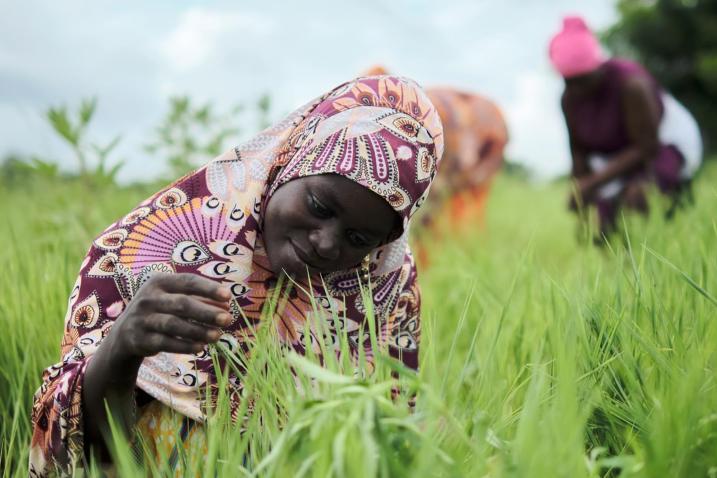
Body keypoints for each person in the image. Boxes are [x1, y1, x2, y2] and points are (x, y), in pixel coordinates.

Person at [29, 75, 444, 475]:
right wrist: (122, 348)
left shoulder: (384, 293)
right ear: (290, 162)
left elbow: (388, 442)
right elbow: (85, 450)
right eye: (320, 206)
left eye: (357, 237)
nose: (326, 243)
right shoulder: (145, 248)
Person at [549, 16, 702, 237]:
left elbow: (646, 148)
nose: (577, 89)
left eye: (582, 80)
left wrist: (592, 183)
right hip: (616, 156)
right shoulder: (569, 99)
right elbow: (579, 152)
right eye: (569, 82)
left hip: (664, 143)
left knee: (639, 196)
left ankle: (673, 241)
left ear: (596, 67)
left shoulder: (631, 85)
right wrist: (580, 191)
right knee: (603, 230)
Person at [364, 66, 508, 261]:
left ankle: (461, 256)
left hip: (482, 140)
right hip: (467, 142)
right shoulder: (404, 112)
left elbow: (464, 158)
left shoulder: (424, 111)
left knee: (464, 210)